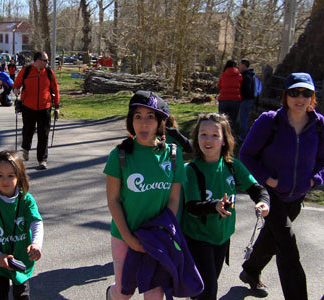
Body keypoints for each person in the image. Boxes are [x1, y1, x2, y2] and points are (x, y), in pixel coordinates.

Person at [238, 72, 324, 299]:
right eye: (294, 93)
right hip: (271, 194)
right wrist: (268, 179)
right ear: (285, 96)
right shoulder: (269, 121)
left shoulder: (319, 124)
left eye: (306, 93)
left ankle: (250, 270)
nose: (300, 98)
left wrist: (313, 180)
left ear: (313, 96)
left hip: (297, 195)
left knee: (273, 237)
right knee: (288, 248)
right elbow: (247, 155)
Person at [103, 91, 187, 300]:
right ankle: (111, 294)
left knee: (155, 293)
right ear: (131, 121)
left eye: (150, 117)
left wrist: (161, 231)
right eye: (138, 116)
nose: (143, 123)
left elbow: (174, 198)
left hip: (157, 237)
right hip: (124, 235)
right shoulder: (119, 155)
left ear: (161, 123)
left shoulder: (173, 155)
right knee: (124, 292)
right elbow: (113, 200)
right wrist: (130, 239)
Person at [181, 113, 270, 300]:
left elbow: (256, 188)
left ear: (224, 140)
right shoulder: (191, 170)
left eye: (215, 135)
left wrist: (263, 202)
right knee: (208, 291)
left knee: (205, 287)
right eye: (203, 134)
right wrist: (214, 206)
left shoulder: (232, 166)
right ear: (196, 138)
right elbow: (192, 207)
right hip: (198, 238)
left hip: (221, 238)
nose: (208, 139)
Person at [0, 150, 43, 300]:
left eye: (11, 176)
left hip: (22, 261)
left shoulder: (26, 200)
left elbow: (36, 222)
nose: (5, 181)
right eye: (0, 176)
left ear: (19, 176)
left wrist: (36, 244)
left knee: (23, 297)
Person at [12, 51, 60, 170]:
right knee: (28, 131)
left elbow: (55, 89)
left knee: (43, 134)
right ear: (37, 61)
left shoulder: (49, 72)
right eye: (45, 60)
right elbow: (16, 84)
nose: (47, 62)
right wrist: (16, 90)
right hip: (28, 107)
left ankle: (42, 160)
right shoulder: (26, 70)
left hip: (45, 107)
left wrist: (57, 107)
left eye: (47, 60)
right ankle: (26, 148)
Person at [217, 60, 242, 131]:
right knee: (232, 120)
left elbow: (219, 86)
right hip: (235, 99)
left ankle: (221, 134)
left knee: (221, 119)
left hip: (224, 98)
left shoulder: (223, 75)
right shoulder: (239, 75)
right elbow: (241, 85)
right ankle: (231, 136)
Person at [238, 59, 256, 142]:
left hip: (246, 99)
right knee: (245, 117)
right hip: (249, 99)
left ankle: (243, 136)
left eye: (240, 65)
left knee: (243, 117)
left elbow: (247, 89)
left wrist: (242, 96)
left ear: (244, 65)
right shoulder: (250, 75)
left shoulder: (246, 76)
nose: (239, 66)